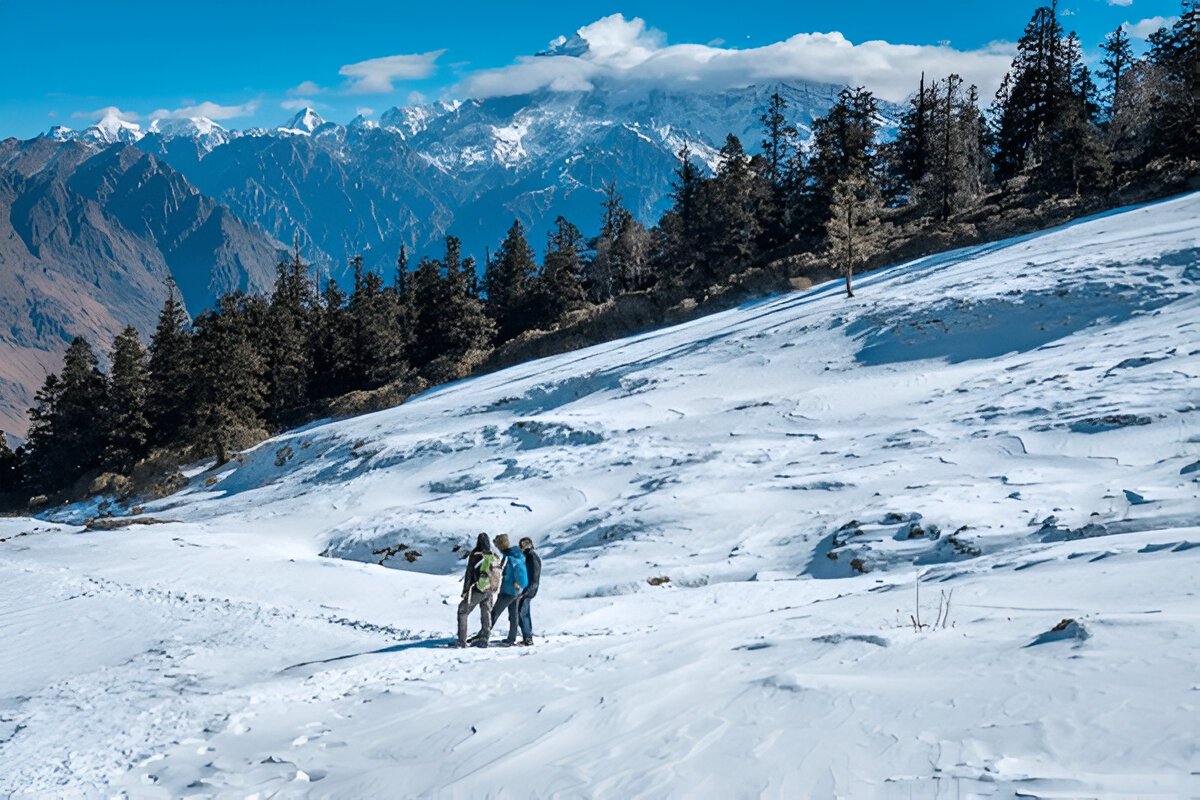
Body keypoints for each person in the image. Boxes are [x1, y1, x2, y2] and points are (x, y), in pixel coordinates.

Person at [455, 533, 499, 648]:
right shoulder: (492, 554)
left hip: (477, 589)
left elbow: (469, 574)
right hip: (490, 589)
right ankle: (485, 637)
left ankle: (461, 641)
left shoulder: (475, 554)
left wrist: (465, 591)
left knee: (462, 611)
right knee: (486, 612)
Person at [489, 534, 529, 645]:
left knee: (494, 613)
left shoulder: (509, 558)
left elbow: (517, 573)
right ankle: (511, 638)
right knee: (513, 614)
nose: (496, 546)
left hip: (508, 590)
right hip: (515, 591)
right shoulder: (516, 555)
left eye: (497, 544)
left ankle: (484, 635)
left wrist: (516, 583)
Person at [516, 537, 541, 646]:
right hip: (528, 589)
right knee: (523, 612)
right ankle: (527, 636)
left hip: (529, 590)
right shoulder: (528, 556)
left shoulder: (531, 557)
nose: (522, 547)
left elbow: (534, 576)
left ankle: (528, 638)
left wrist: (526, 592)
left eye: (524, 544)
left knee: (522, 613)